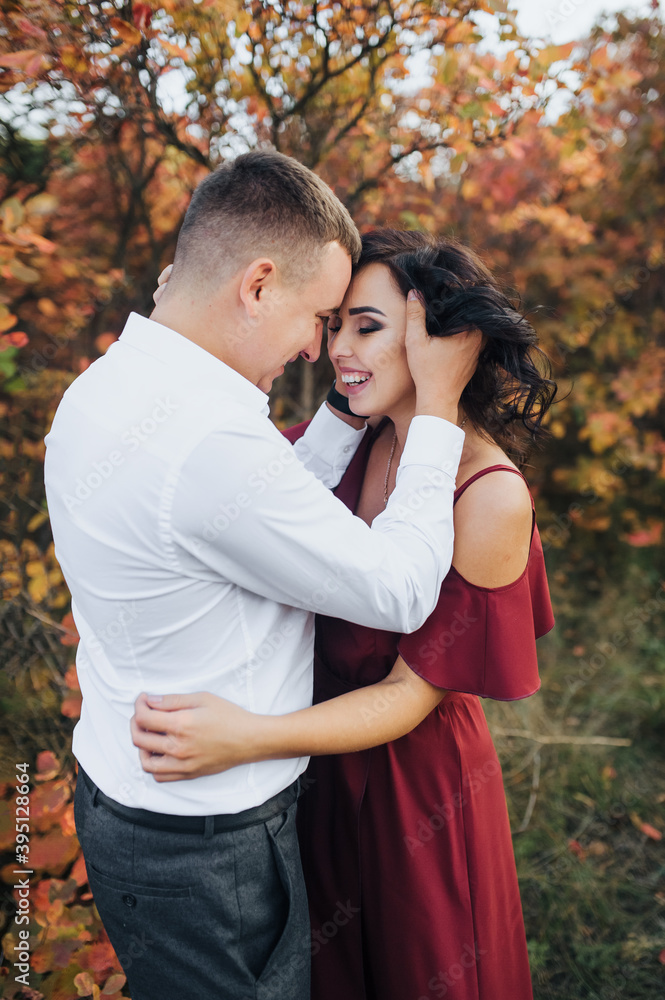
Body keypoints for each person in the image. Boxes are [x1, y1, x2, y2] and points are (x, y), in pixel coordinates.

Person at [44, 154, 481, 1000]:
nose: (319, 346)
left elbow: (250, 505)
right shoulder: (206, 444)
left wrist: (345, 409)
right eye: (319, 316)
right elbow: (395, 587)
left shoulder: (104, 389)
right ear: (256, 285)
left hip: (129, 802)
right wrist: (435, 407)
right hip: (206, 848)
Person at [132, 228, 557, 1000]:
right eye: (333, 326)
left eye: (367, 326)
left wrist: (250, 737)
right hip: (310, 778)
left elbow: (407, 694)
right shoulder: (337, 448)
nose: (338, 349)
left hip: (411, 791)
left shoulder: (487, 494)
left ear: (444, 344)